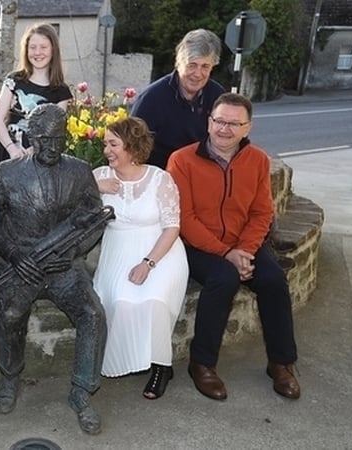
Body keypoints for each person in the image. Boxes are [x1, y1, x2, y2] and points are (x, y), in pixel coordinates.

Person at [167, 93, 300, 401]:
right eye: (219, 121)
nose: (224, 129)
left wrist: (245, 250)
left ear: (247, 128)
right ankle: (202, 364)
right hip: (198, 246)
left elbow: (262, 212)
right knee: (223, 278)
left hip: (243, 244)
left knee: (273, 279)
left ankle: (281, 363)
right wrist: (226, 253)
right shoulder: (182, 160)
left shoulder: (258, 160)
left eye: (233, 124)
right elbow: (184, 218)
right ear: (209, 122)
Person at [0, 104, 107, 435]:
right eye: (43, 138)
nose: (51, 146)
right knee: (10, 314)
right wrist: (14, 254)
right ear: (30, 136)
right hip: (22, 264)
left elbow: (95, 219)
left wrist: (72, 252)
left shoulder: (80, 171)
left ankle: (82, 390)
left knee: (92, 314)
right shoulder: (7, 173)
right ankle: (10, 377)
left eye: (58, 138)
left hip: (64, 265)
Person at [91, 117, 188, 399]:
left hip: (160, 250)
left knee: (154, 300)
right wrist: (96, 187)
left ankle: (161, 366)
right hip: (118, 248)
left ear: (131, 146)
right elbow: (68, 195)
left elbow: (172, 227)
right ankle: (129, 359)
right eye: (105, 144)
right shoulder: (98, 176)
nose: (106, 150)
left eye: (113, 144)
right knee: (120, 301)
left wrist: (148, 264)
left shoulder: (159, 179)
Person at [131, 29, 224, 169]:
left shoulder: (218, 96)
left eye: (205, 66)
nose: (198, 74)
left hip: (203, 173)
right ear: (179, 63)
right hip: (162, 173)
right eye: (192, 65)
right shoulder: (152, 98)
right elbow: (131, 146)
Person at [0, 22, 73, 166]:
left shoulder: (61, 91)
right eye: (33, 47)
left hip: (39, 157)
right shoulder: (14, 81)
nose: (37, 52)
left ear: (53, 50)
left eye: (43, 47)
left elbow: (55, 131)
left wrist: (34, 150)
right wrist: (12, 149)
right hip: (6, 151)